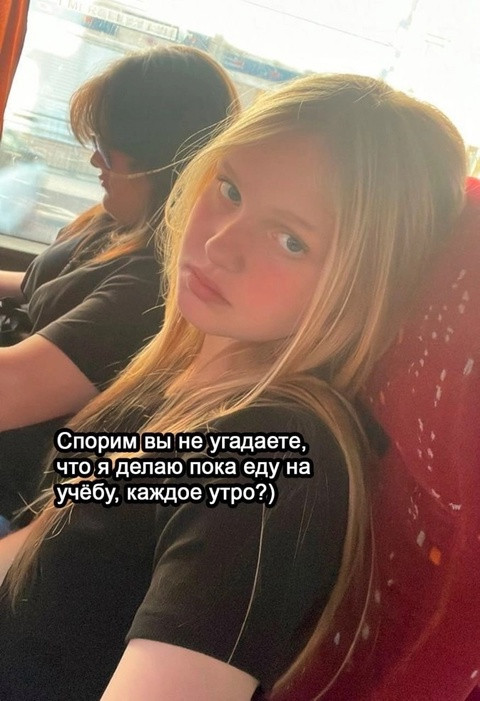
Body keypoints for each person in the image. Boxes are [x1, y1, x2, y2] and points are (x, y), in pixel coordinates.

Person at [0, 73, 467, 700]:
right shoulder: (183, 375)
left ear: (362, 285)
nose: (220, 243)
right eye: (230, 190)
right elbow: (47, 537)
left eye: (291, 240)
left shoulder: (269, 449)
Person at [0, 45, 239, 522]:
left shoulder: (149, 290)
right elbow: (39, 289)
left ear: (158, 159)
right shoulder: (120, 220)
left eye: (108, 150)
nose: (95, 160)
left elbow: (7, 391)